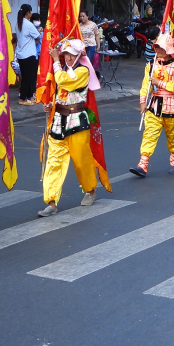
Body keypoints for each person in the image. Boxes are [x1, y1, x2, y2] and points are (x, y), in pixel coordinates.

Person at [39, 39, 102, 217]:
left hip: (77, 121)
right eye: (65, 54)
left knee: (81, 161)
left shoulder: (83, 71)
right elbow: (60, 91)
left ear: (79, 56)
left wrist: (55, 62)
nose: (67, 58)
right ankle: (51, 201)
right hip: (59, 121)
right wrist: (50, 105)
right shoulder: (63, 69)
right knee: (53, 162)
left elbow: (65, 82)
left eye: (71, 55)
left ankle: (90, 190)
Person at [131, 33, 174, 177]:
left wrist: (159, 83)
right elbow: (145, 85)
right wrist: (142, 102)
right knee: (149, 134)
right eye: (157, 47)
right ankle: (143, 164)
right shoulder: (151, 65)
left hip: (172, 105)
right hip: (154, 105)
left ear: (169, 49)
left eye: (161, 47)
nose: (158, 50)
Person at [15, 4, 42, 105]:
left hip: (21, 54)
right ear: (28, 13)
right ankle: (22, 98)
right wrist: (38, 31)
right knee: (28, 78)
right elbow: (38, 36)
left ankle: (30, 96)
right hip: (29, 54)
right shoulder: (28, 24)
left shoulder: (18, 23)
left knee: (26, 76)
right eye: (30, 12)